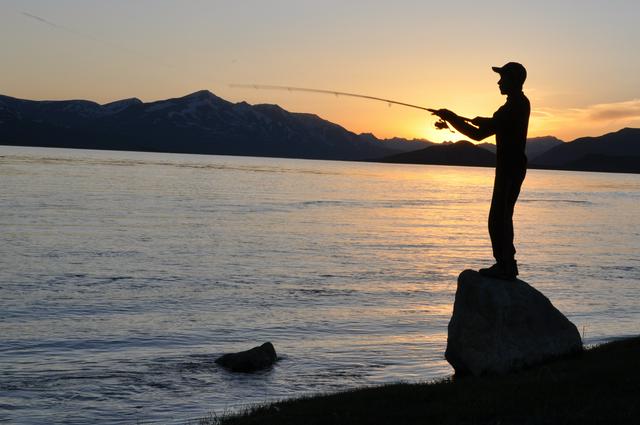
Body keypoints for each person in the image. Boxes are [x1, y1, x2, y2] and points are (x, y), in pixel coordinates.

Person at [432, 62, 530, 280]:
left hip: (509, 168)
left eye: (502, 78)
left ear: (513, 80)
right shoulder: (520, 104)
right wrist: (463, 119)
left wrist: (451, 117)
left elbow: (476, 135)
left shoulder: (511, 108)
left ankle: (506, 265)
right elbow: (491, 125)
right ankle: (506, 263)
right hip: (514, 166)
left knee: (498, 218)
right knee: (503, 216)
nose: (498, 82)